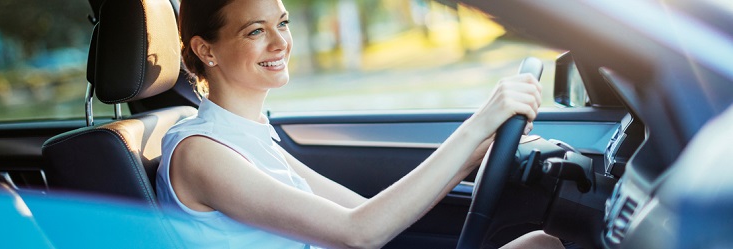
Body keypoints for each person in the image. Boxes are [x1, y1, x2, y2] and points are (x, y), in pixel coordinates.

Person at [155, 0, 563, 248]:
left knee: (550, 242)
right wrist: (478, 123)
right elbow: (358, 233)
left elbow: (362, 212)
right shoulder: (200, 152)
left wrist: (479, 147)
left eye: (282, 23)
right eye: (255, 31)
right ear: (206, 49)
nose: (280, 43)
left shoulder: (248, 137)